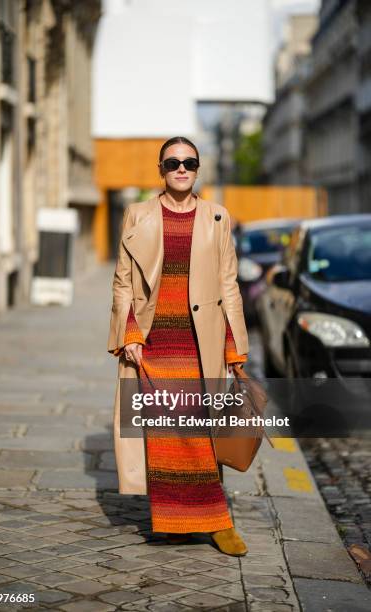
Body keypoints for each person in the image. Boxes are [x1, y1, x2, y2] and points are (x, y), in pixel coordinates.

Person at [107, 136, 249, 555]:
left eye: (189, 162)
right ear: (161, 170)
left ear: (198, 169)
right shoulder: (138, 215)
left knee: (201, 434)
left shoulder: (217, 217)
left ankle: (217, 522)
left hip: (199, 341)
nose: (181, 169)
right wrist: (129, 334)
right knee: (165, 433)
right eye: (172, 163)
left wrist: (235, 347)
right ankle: (173, 519)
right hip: (155, 342)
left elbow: (229, 286)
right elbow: (123, 283)